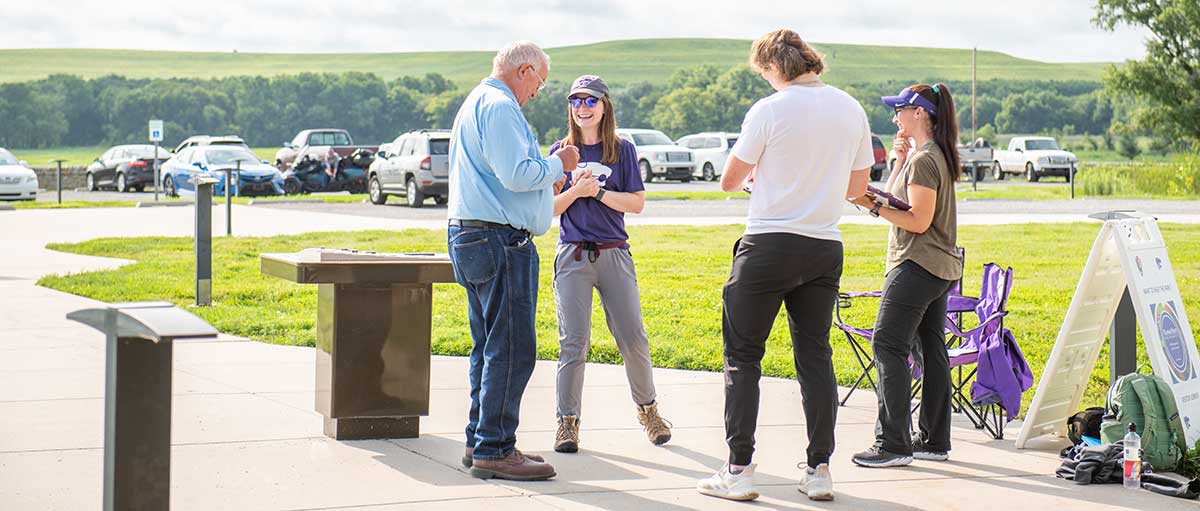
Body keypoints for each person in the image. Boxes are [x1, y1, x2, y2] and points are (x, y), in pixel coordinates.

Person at [696, 29, 872, 502]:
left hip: (769, 243)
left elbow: (729, 181)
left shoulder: (770, 109)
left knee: (743, 357)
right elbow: (857, 189)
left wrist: (762, 177)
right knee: (815, 358)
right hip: (823, 246)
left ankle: (738, 468)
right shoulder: (850, 109)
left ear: (773, 67)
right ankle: (819, 469)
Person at [445, 40, 581, 481]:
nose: (536, 93)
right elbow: (518, 174)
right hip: (498, 240)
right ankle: (495, 449)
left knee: (488, 345)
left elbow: (504, 176)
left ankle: (480, 437)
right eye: (538, 83)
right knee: (512, 348)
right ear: (524, 71)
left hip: (473, 235)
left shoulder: (475, 102)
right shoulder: (500, 107)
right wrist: (557, 165)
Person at [546, 75, 672, 454]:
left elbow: (636, 203)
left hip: (614, 253)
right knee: (574, 343)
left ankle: (649, 412)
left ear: (604, 106)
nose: (582, 108)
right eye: (576, 101)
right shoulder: (560, 151)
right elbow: (547, 210)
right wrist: (575, 190)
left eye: (590, 101)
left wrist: (598, 191)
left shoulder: (623, 150)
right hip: (572, 255)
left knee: (633, 338)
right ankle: (567, 424)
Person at [848, 83, 961, 468]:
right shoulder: (927, 156)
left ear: (920, 113)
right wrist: (897, 162)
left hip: (917, 265)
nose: (894, 116)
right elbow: (903, 197)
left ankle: (893, 444)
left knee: (887, 345)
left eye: (900, 109)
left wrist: (873, 207)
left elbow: (918, 220)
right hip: (938, 267)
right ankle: (932, 440)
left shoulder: (925, 160)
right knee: (931, 350)